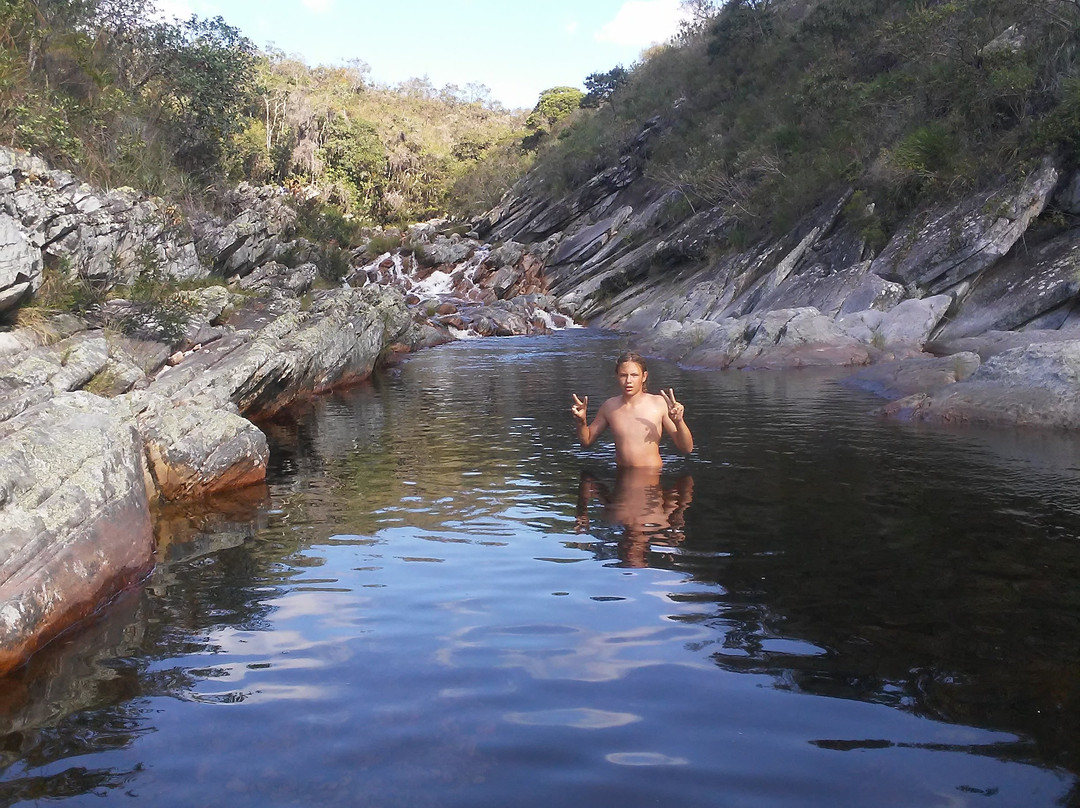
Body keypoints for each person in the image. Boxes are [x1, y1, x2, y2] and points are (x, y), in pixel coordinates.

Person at [570, 351, 693, 468]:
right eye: (623, 375)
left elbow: (687, 449)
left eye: (634, 375)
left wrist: (679, 421)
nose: (628, 381)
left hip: (652, 475)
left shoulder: (658, 404)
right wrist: (581, 422)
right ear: (617, 376)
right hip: (622, 474)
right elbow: (586, 441)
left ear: (644, 376)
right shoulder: (609, 407)